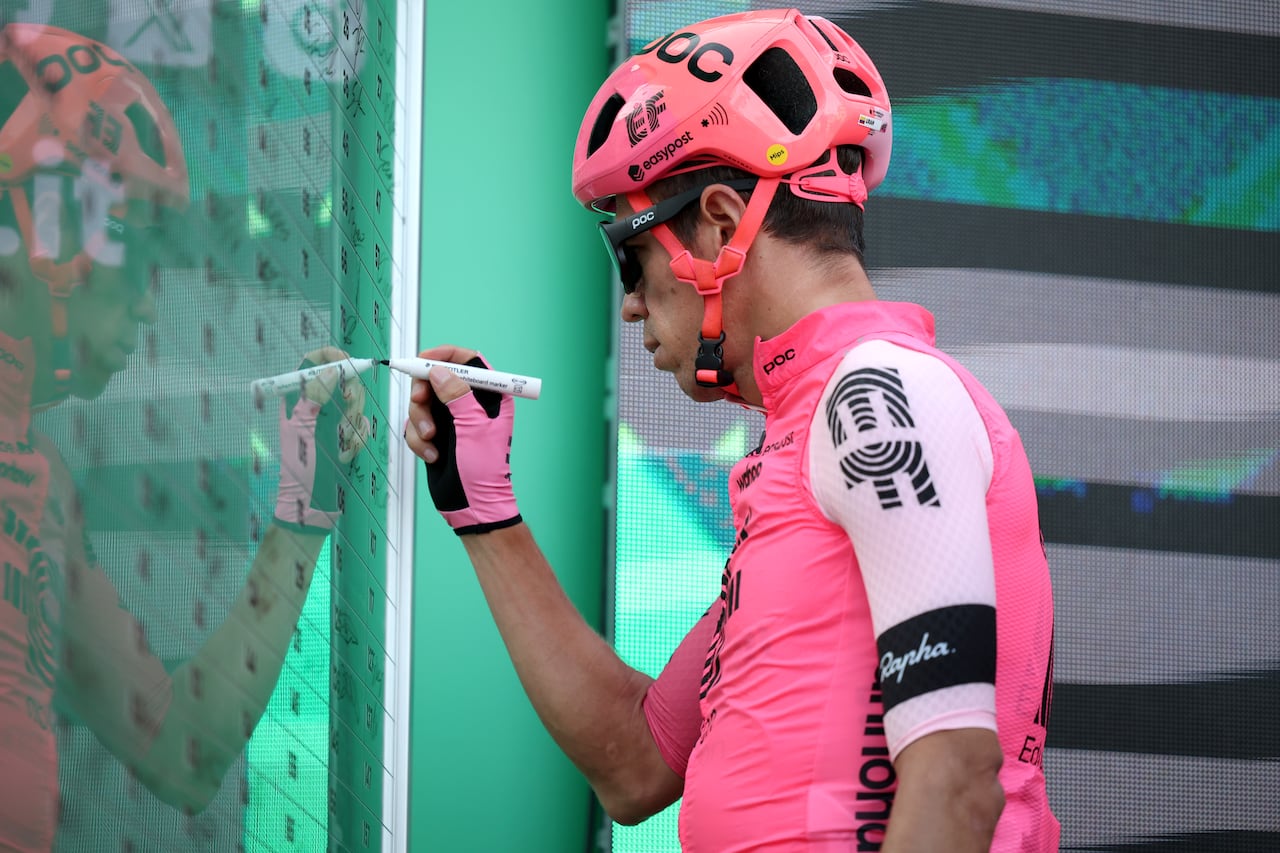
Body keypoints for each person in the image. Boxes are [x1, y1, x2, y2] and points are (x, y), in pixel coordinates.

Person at [403, 8, 1058, 851]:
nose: (632, 302)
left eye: (628, 255)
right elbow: (637, 761)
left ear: (717, 222)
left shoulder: (879, 396)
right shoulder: (812, 431)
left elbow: (959, 779)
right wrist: (483, 507)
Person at [0, 23, 369, 851]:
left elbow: (182, 751)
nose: (146, 298)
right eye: (127, 245)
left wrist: (300, 510)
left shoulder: (36, 478)